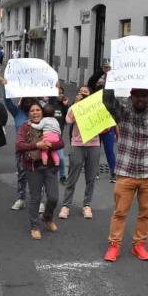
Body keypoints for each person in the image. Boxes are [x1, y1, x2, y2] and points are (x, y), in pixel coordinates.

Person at [102, 66, 148, 262]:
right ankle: (114, 245)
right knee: (120, 212)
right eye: (137, 96)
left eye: (144, 96)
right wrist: (109, 76)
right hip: (126, 172)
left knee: (146, 214)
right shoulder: (122, 113)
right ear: (131, 96)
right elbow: (108, 101)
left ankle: (139, 245)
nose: (141, 100)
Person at [15, 102, 64, 240]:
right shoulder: (25, 127)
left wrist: (49, 145)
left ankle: (47, 217)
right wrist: (37, 145)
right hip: (33, 167)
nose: (35, 112)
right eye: (32, 111)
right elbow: (19, 145)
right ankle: (34, 226)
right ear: (28, 113)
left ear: (42, 112)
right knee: (35, 198)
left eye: (38, 110)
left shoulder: (49, 123)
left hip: (50, 167)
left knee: (53, 197)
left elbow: (61, 143)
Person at [59, 86, 101, 220]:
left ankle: (87, 205)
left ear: (90, 95)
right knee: (73, 175)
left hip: (94, 144)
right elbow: (68, 120)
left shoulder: (96, 106)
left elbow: (103, 123)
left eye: (85, 92)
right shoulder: (75, 107)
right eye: (80, 92)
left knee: (91, 177)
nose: (82, 94)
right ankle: (66, 205)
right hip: (78, 144)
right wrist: (76, 104)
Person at [5, 96, 37, 210]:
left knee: (37, 176)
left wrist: (55, 89)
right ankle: (21, 198)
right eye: (25, 99)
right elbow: (7, 101)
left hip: (37, 149)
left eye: (30, 99)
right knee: (21, 175)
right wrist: (6, 86)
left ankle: (38, 200)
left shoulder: (38, 112)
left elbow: (52, 104)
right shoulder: (17, 112)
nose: (28, 101)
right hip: (21, 150)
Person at [88, 69, 117, 182]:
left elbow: (115, 109)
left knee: (109, 150)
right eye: (99, 79)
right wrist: (102, 71)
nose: (100, 80)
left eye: (103, 79)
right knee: (95, 150)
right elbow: (91, 81)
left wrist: (112, 123)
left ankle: (113, 172)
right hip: (94, 125)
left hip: (108, 125)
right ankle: (95, 171)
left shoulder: (110, 92)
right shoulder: (93, 90)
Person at [28, 103, 62, 168]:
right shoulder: (55, 120)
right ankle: (57, 164)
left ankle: (44, 164)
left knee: (44, 151)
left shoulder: (44, 120)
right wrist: (58, 135)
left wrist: (31, 124)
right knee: (54, 152)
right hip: (56, 137)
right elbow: (58, 128)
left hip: (47, 137)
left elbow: (39, 127)